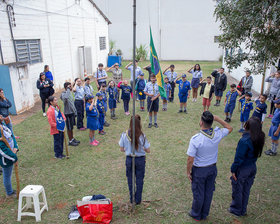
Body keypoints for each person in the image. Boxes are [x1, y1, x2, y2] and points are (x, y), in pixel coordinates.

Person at [186, 111, 233, 221]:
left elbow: (190, 159)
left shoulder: (196, 139)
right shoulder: (217, 134)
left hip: (200, 170)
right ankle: (205, 213)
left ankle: (196, 214)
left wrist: (188, 172)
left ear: (201, 122)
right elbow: (229, 128)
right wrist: (218, 119)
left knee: (199, 192)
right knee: (208, 192)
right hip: (212, 168)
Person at [229, 117, 265, 217]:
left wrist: (233, 170)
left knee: (238, 188)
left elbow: (239, 158)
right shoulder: (259, 136)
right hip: (252, 166)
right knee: (246, 189)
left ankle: (237, 209)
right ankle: (243, 209)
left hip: (243, 168)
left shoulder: (244, 140)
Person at [119, 115, 150, 205]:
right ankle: (138, 199)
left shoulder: (124, 135)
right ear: (139, 124)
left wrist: (128, 149)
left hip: (129, 159)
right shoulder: (142, 136)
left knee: (130, 179)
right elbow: (148, 150)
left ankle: (132, 198)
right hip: (140, 160)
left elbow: (121, 149)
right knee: (139, 179)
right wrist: (143, 148)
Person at [0, 115, 18, 198]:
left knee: (9, 173)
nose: (1, 115)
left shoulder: (3, 125)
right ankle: (9, 193)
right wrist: (14, 157)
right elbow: (2, 150)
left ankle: (10, 190)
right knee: (7, 175)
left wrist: (15, 147)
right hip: (6, 158)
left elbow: (11, 135)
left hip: (11, 153)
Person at [60, 82, 80, 146]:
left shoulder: (70, 93)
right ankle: (70, 141)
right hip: (67, 113)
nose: (71, 88)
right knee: (69, 128)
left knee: (71, 127)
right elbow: (65, 98)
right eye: (69, 86)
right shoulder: (63, 94)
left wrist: (75, 112)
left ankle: (72, 138)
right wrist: (68, 89)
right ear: (66, 87)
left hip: (72, 113)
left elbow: (72, 103)